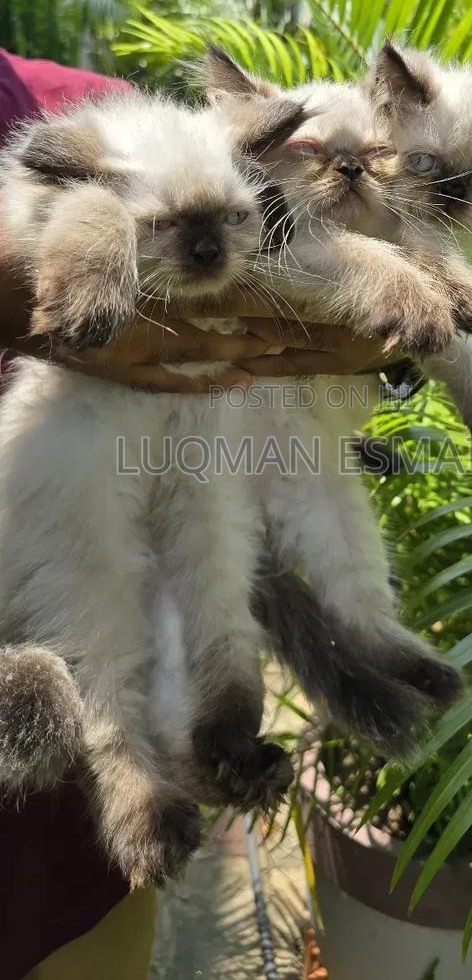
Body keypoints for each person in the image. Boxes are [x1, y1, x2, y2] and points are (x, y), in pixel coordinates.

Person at [0, 50, 390, 980]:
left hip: (66, 876)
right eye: (182, 231)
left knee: (192, 563)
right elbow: (84, 220)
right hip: (69, 465)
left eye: (228, 226)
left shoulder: (85, 101)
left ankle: (182, 752)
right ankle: (135, 763)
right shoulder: (82, 159)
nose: (211, 252)